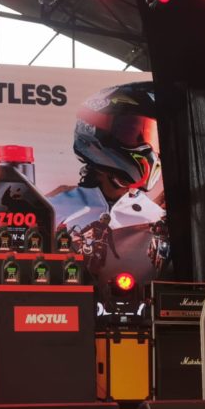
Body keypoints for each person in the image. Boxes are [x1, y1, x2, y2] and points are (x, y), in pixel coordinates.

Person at [49, 82, 166, 297]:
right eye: (133, 132)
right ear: (93, 131)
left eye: (151, 135)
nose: (147, 147)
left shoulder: (158, 219)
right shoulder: (53, 211)